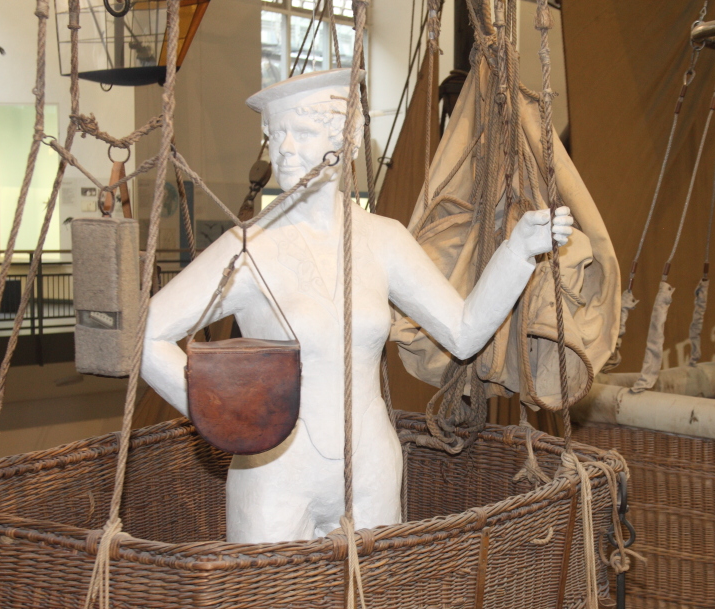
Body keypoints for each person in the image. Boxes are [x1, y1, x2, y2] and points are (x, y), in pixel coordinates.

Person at [142, 69, 575, 542]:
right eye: (276, 134)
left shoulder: (383, 240)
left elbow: (463, 332)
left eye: (302, 131)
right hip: (276, 471)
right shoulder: (247, 249)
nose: (285, 148)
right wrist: (228, 418)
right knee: (276, 593)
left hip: (370, 465)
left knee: (372, 591)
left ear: (345, 140)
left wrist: (518, 252)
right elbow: (145, 336)